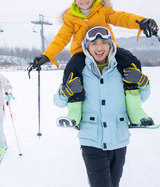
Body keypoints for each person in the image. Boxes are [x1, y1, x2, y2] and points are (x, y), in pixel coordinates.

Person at [32, 0, 157, 126]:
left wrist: (141, 22)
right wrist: (47, 55)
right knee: (72, 71)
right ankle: (74, 114)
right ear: (74, 0)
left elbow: (122, 18)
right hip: (81, 52)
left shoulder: (103, 11)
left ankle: (136, 112)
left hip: (107, 49)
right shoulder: (71, 17)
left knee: (130, 61)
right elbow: (61, 38)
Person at [54, 26, 151, 187]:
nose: (99, 48)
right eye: (94, 44)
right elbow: (58, 102)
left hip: (119, 139)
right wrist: (66, 91)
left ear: (110, 45)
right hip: (91, 140)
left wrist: (144, 82)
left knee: (114, 183)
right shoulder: (79, 68)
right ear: (87, 46)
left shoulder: (122, 67)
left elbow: (142, 97)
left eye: (103, 43)